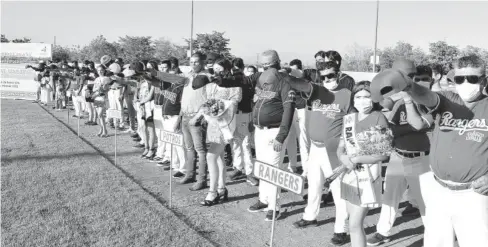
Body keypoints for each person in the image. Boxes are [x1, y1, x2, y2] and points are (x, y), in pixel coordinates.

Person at [379, 55, 488, 247]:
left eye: (472, 79)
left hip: (474, 193)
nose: (465, 83)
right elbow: (427, 97)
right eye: (460, 79)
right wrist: (408, 87)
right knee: (436, 242)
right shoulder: (448, 100)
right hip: (438, 189)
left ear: (484, 81)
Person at [195, 50, 296, 221]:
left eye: (269, 64)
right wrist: (219, 79)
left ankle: (274, 206)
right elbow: (242, 80)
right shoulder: (260, 77)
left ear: (277, 62)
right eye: (263, 65)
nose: (266, 68)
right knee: (262, 167)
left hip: (275, 130)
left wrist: (282, 135)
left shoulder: (284, 81)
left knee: (273, 168)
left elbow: (289, 109)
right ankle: (264, 200)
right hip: (259, 128)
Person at [286, 61, 352, 245]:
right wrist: (285, 73)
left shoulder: (347, 95)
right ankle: (310, 216)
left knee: (339, 191)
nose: (327, 79)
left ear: (338, 75)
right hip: (315, 148)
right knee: (314, 185)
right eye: (323, 76)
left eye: (330, 75)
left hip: (334, 150)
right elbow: (297, 84)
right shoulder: (316, 91)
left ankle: (341, 229)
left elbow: (352, 122)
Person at [367, 62, 433, 246]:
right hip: (398, 155)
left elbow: (418, 125)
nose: (418, 82)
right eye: (414, 78)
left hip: (423, 158)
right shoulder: (397, 100)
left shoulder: (433, 102)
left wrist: (407, 103)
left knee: (425, 202)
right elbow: (387, 125)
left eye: (423, 79)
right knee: (390, 196)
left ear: (431, 81)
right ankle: (383, 232)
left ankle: (435, 235)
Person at [337, 81, 392, 247]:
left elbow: (383, 154)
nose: (362, 100)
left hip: (368, 175)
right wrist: (343, 158)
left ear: (373, 98)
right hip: (348, 175)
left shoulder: (378, 117)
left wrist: (356, 159)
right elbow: (340, 147)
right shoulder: (349, 118)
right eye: (358, 96)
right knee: (351, 224)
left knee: (355, 224)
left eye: (366, 96)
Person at [148, 52, 212, 191]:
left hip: (197, 118)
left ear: (203, 62)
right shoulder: (189, 75)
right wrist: (154, 74)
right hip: (185, 116)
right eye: (191, 62)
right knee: (189, 148)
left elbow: (207, 99)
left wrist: (198, 117)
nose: (193, 64)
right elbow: (173, 79)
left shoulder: (206, 76)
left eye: (196, 62)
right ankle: (189, 174)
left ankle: (202, 180)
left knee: (200, 150)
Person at [194, 58, 242, 206]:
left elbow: (234, 104)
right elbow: (207, 100)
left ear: (227, 70)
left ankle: (212, 192)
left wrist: (219, 108)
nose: (216, 72)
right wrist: (205, 112)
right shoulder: (212, 84)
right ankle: (221, 188)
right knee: (219, 157)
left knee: (210, 156)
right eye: (214, 69)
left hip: (225, 124)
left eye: (219, 69)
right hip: (212, 124)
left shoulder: (234, 85)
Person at [227, 58, 259, 186]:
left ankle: (249, 173)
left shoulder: (247, 81)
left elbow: (252, 100)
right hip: (233, 114)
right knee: (235, 143)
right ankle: (238, 168)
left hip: (244, 114)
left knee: (245, 144)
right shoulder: (230, 80)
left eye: (237, 68)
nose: (235, 72)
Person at [91, 65, 111, 137]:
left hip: (103, 98)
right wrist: (97, 88)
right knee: (99, 116)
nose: (100, 72)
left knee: (100, 114)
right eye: (99, 70)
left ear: (104, 70)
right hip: (97, 97)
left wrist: (103, 88)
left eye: (101, 70)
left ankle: (105, 131)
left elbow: (108, 89)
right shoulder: (96, 79)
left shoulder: (107, 78)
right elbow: (93, 89)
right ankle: (101, 129)